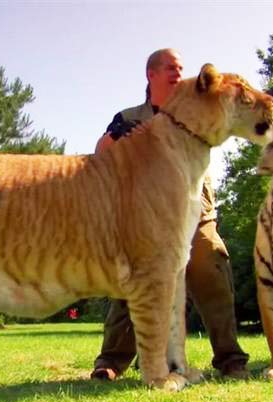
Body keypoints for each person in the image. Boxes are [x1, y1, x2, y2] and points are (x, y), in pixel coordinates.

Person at [91, 48, 249, 381]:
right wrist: (115, 143)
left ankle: (231, 359)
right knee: (133, 277)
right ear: (151, 74)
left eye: (181, 67)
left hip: (197, 214)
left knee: (212, 263)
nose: (178, 72)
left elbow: (241, 108)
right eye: (170, 67)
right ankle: (111, 362)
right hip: (145, 220)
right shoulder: (130, 117)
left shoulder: (199, 109)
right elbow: (101, 157)